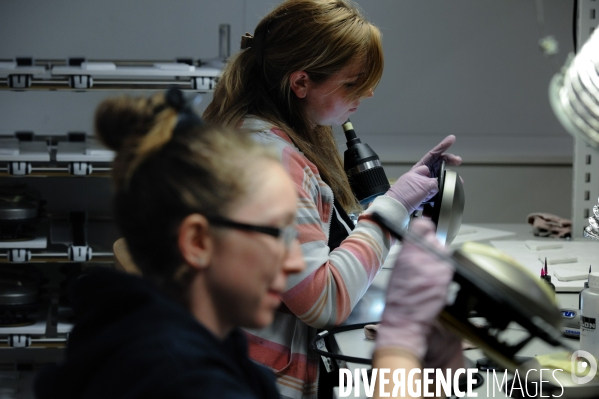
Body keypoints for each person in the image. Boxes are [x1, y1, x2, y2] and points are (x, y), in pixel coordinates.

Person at [203, 0, 463, 397]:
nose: (369, 92)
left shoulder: (272, 138)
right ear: (301, 83)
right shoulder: (271, 161)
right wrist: (392, 209)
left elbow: (320, 249)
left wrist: (396, 206)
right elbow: (321, 301)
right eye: (353, 82)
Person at [33, 89, 306, 399]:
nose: (295, 262)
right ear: (197, 242)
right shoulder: (191, 384)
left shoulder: (136, 338)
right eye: (277, 232)